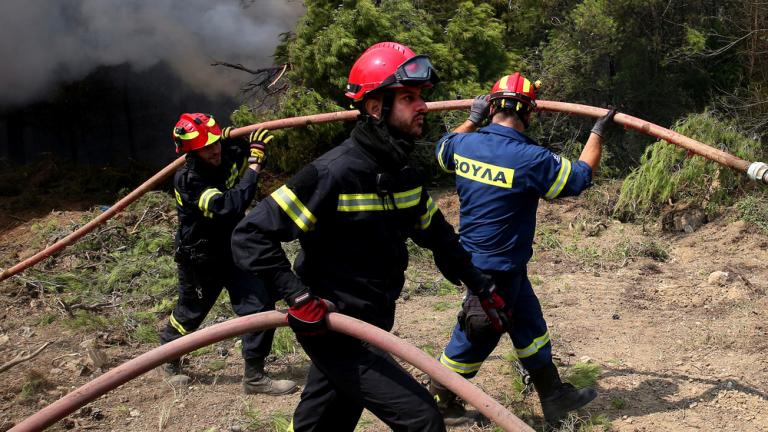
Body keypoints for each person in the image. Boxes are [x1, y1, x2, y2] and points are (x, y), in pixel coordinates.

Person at [231, 42, 498, 432]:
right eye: (409, 97)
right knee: (423, 420)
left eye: (421, 97)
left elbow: (437, 235)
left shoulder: (400, 173)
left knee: (325, 421)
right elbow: (250, 233)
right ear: (375, 107)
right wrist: (297, 295)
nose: (422, 106)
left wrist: (481, 286)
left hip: (371, 320)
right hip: (333, 326)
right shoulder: (333, 173)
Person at [431, 72, 617, 425]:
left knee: (529, 324)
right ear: (529, 113)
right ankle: (440, 400)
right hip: (493, 270)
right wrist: (598, 131)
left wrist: (471, 118)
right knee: (477, 336)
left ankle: (553, 396)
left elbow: (441, 148)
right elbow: (579, 177)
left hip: (487, 261)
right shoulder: (531, 158)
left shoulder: (464, 144)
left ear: (490, 107)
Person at [159, 112, 297, 396]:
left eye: (216, 142)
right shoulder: (189, 179)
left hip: (234, 251)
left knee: (260, 307)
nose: (215, 150)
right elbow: (228, 207)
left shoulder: (225, 149)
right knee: (189, 314)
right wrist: (255, 168)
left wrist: (249, 142)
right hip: (201, 258)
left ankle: (255, 376)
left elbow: (241, 148)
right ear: (191, 151)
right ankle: (167, 357)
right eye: (207, 147)